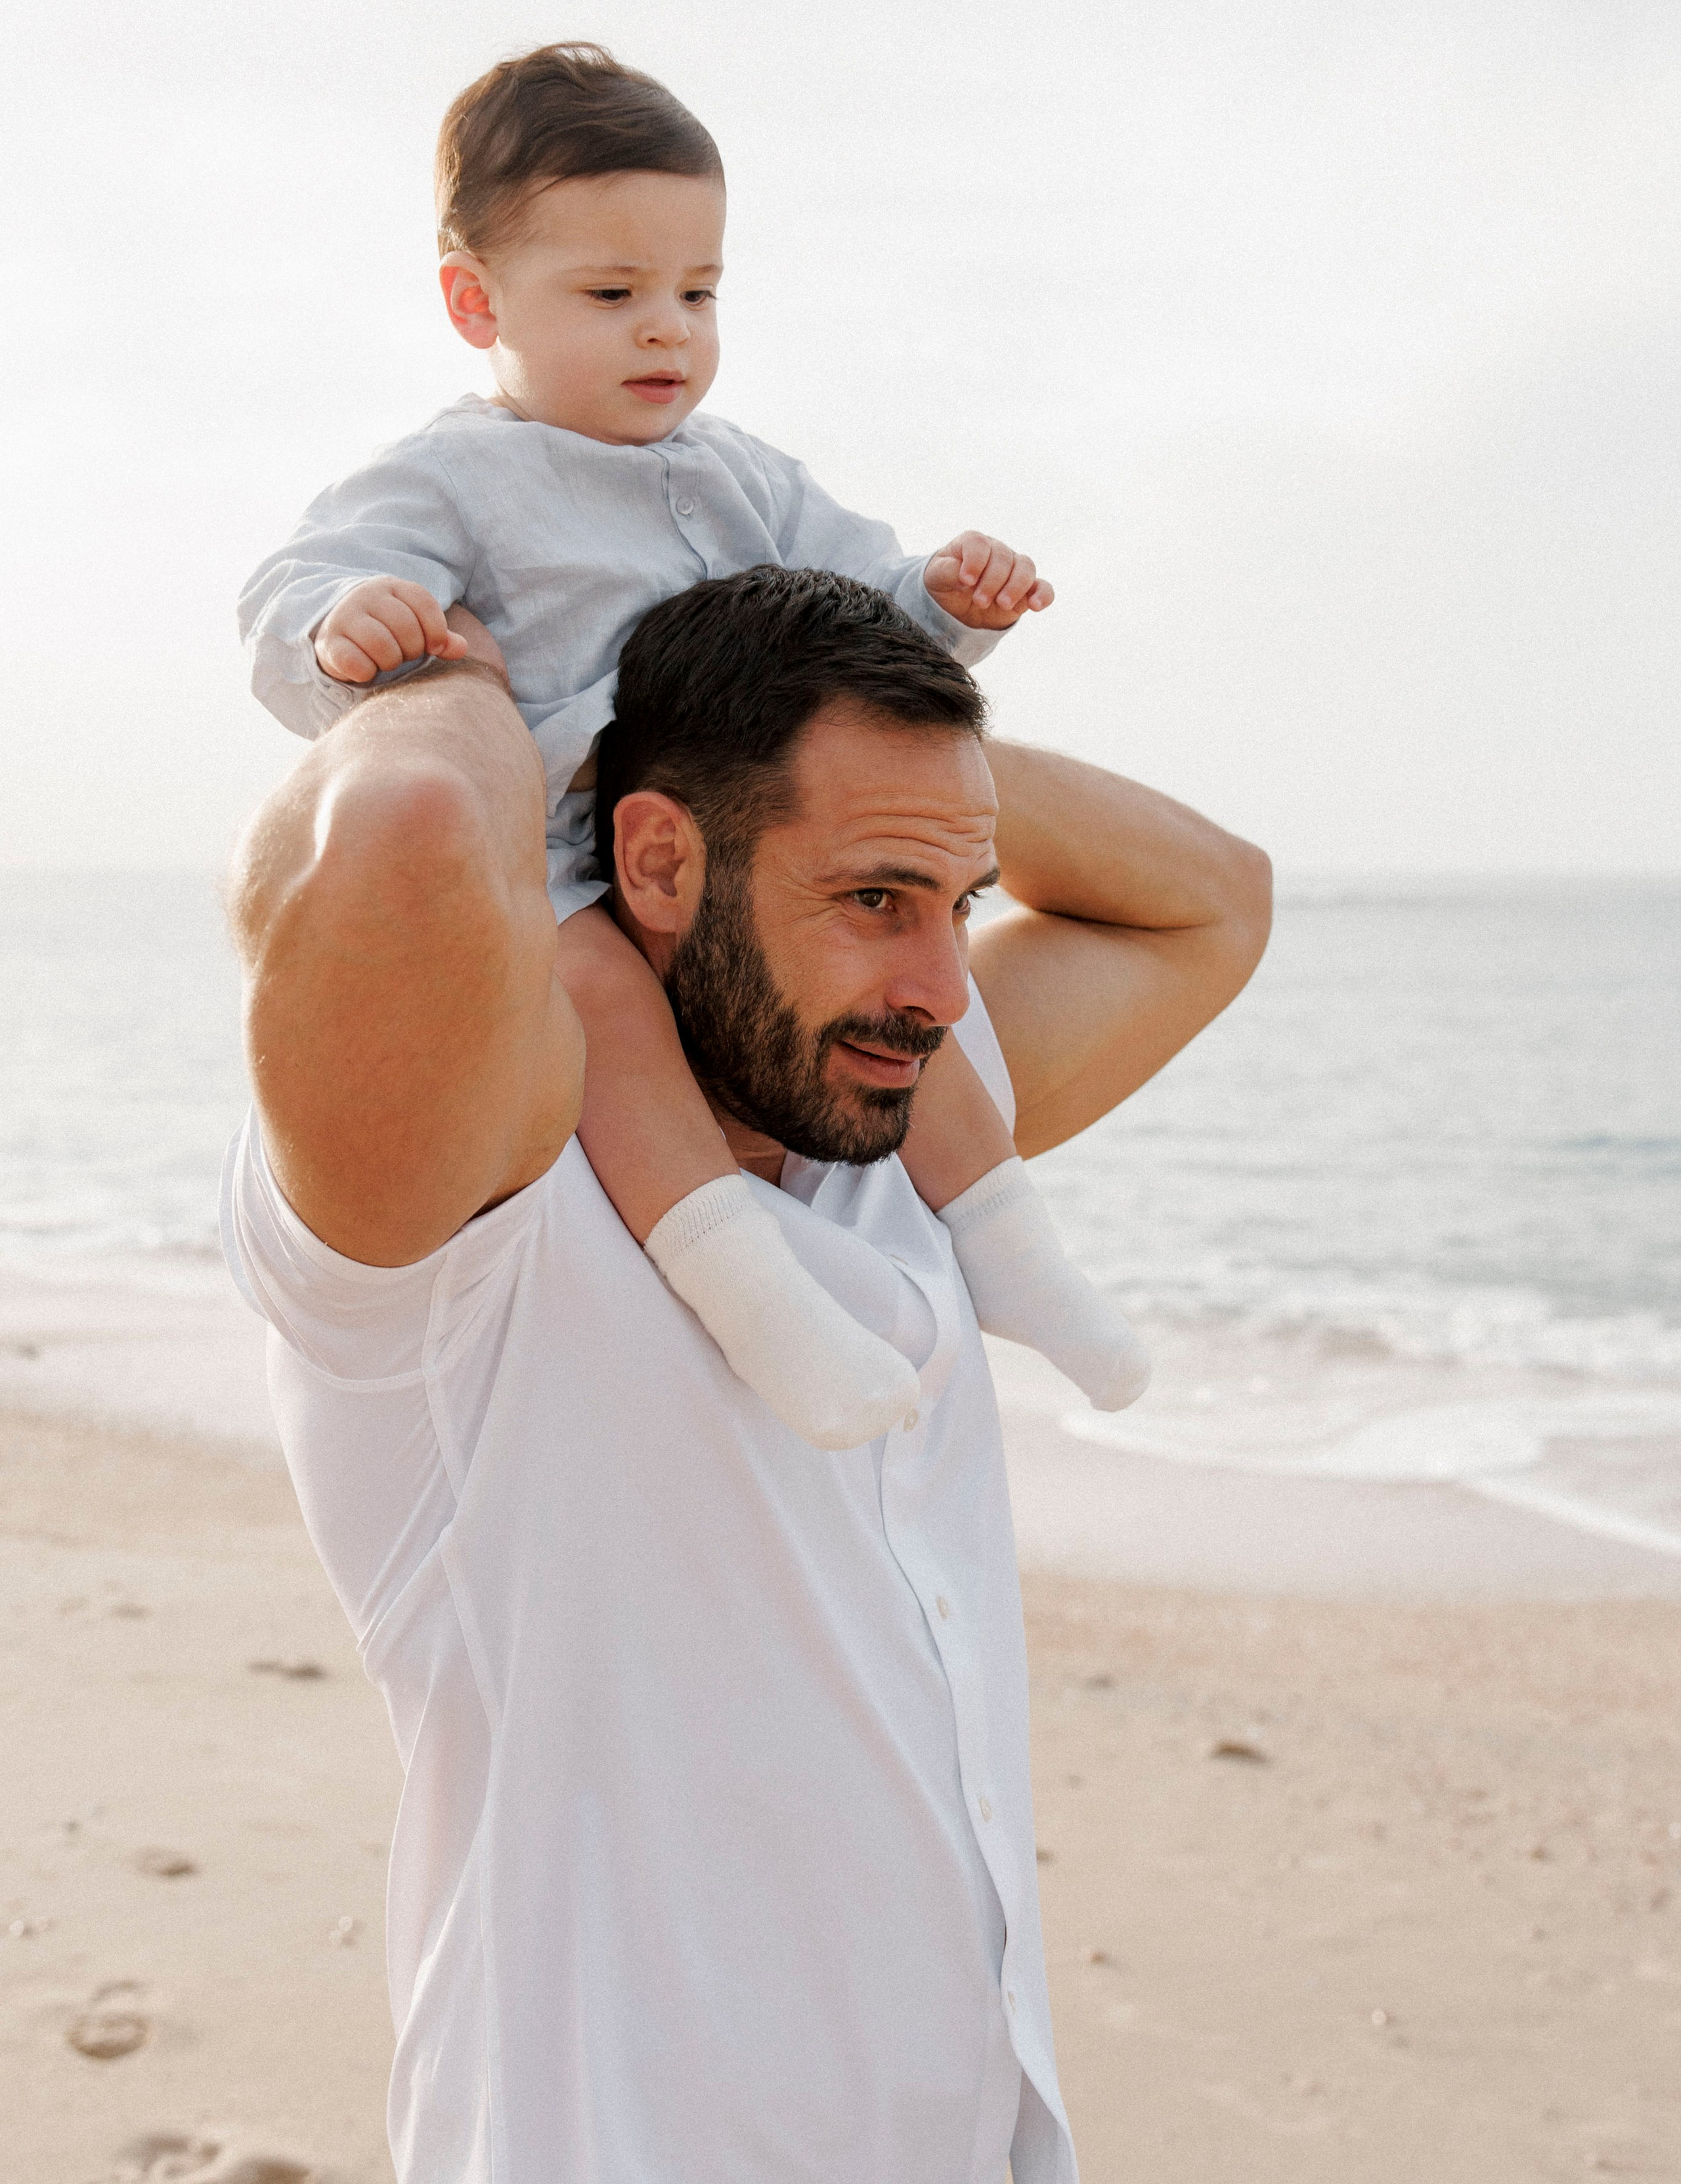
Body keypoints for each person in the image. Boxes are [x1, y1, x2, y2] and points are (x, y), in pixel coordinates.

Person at [222, 563, 1272, 2183]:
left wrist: (884, 776)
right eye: (870, 899)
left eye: (957, 903)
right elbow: (404, 840)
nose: (935, 985)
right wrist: (487, 693)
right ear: (653, 856)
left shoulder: (883, 1107)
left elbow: (1217, 891)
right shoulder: (473, 1221)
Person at [236, 40, 1145, 1451]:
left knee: (924, 1001)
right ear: (475, 300)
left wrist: (948, 603)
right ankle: (757, 1305)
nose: (668, 331)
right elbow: (296, 586)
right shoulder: (451, 473)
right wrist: (342, 623)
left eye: (698, 292)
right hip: (565, 855)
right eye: (613, 295)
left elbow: (863, 611)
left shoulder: (740, 475)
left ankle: (1016, 1255)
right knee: (607, 1016)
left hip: (742, 837)